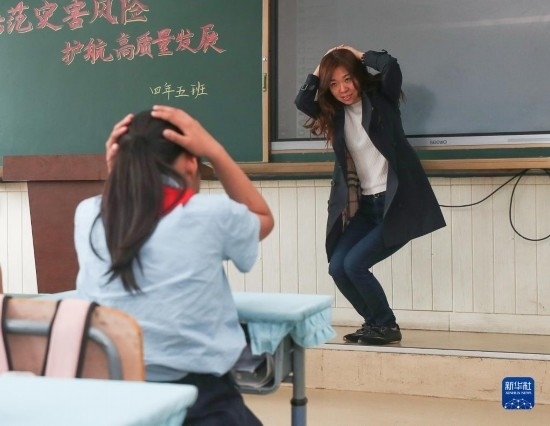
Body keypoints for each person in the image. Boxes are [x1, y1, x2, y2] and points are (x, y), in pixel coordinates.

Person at [74, 105, 273, 425]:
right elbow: (262, 218)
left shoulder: (88, 214)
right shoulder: (209, 214)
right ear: (191, 162)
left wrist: (121, 172)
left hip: (112, 395)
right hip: (197, 397)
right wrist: (216, 152)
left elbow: (129, 207)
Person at [295, 46, 446, 345]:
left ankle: (386, 325)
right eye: (333, 84)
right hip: (364, 208)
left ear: (358, 76)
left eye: (347, 79)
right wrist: (322, 65)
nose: (343, 89)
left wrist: (356, 54)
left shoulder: (381, 100)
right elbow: (303, 101)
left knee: (355, 264)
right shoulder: (335, 114)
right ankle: (375, 324)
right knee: (338, 267)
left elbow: (391, 66)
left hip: (395, 205)